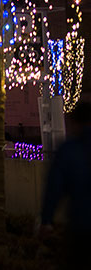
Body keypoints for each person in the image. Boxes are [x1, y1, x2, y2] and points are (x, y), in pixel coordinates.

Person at [40, 102, 91, 268]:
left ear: (75, 123)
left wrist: (46, 220)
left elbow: (54, 188)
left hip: (81, 227)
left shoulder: (69, 150)